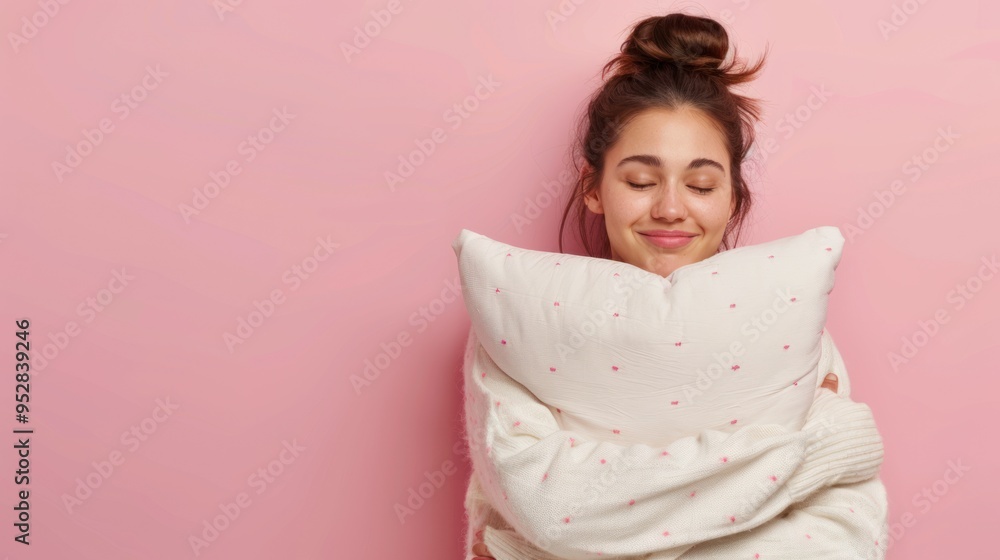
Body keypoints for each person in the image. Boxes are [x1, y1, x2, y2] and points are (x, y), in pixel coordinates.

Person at [464, 12, 888, 559]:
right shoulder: (521, 317)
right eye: (640, 181)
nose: (669, 208)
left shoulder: (784, 316)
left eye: (701, 183)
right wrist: (818, 447)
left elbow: (842, 539)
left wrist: (611, 525)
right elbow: (550, 510)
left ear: (733, 196)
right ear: (594, 188)